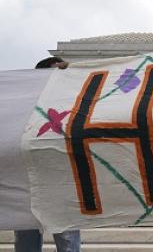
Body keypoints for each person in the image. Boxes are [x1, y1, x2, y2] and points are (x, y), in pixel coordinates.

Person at [15, 56, 81, 252]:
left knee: (68, 240)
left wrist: (76, 71)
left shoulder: (72, 103)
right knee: (27, 240)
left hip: (61, 181)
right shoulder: (23, 105)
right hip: (27, 182)